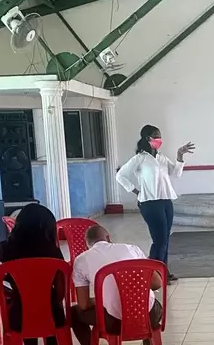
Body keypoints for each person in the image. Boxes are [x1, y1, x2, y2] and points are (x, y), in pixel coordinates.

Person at [116, 124, 195, 282]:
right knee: (159, 240)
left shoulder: (162, 158)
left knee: (164, 238)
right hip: (150, 203)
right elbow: (121, 176)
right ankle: (152, 273)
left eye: (160, 136)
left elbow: (176, 174)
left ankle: (162, 272)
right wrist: (137, 192)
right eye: (156, 136)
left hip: (166, 201)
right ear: (148, 138)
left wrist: (179, 155)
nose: (159, 139)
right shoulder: (140, 159)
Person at [0, 204, 66, 345]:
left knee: (22, 310)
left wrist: (0, 290)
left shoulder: (5, 248)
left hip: (19, 316)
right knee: (52, 317)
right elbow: (59, 294)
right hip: (52, 315)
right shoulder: (54, 253)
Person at [70, 225, 163, 345]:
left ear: (86, 244)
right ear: (108, 237)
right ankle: (148, 340)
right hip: (150, 316)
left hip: (114, 322)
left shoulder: (81, 260)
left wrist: (102, 300)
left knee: (74, 313)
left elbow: (83, 305)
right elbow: (157, 283)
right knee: (151, 303)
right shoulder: (132, 249)